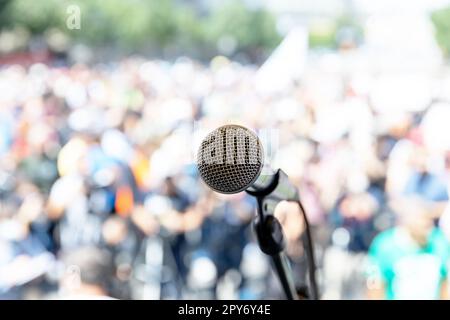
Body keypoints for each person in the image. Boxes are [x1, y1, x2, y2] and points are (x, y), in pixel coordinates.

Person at [367, 196, 449, 300]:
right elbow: (375, 283)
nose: (426, 225)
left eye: (429, 220)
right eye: (421, 220)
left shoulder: (439, 242)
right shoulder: (385, 244)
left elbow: (445, 280)